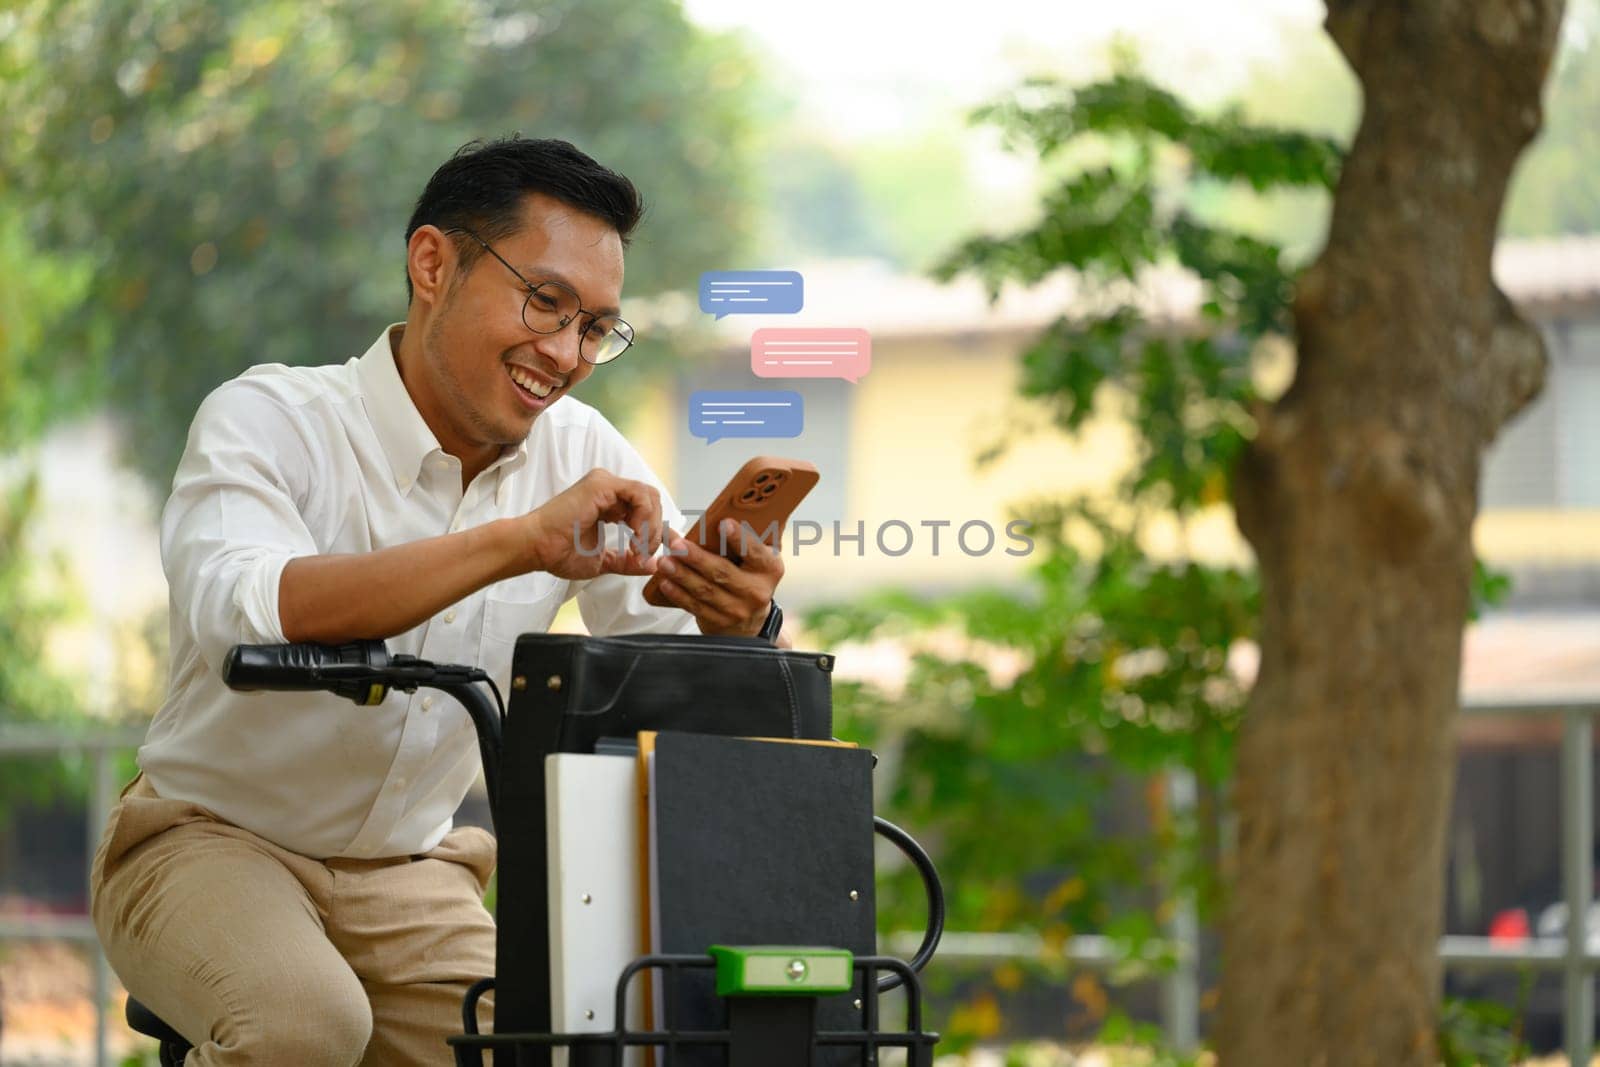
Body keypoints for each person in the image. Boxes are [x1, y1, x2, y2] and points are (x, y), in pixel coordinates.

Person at [90, 136, 790, 1066]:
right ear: (433, 264)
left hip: (410, 876)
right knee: (304, 1025)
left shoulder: (580, 447)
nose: (567, 352)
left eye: (595, 327)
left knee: (568, 1045)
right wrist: (518, 542)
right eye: (546, 301)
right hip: (208, 840)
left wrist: (738, 617)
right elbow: (252, 606)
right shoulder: (271, 419)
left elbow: (673, 649)